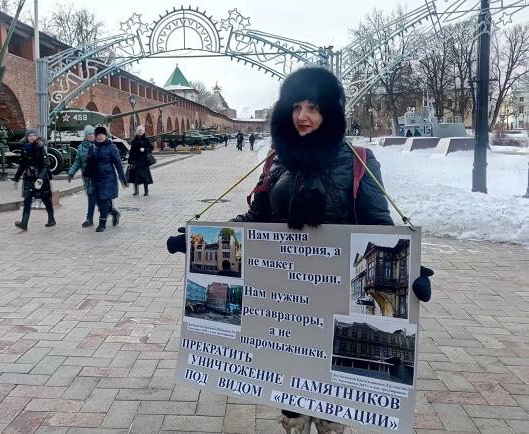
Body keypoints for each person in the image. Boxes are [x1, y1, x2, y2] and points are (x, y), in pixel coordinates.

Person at [166, 67, 432, 434]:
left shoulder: (358, 162)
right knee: (292, 394)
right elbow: (256, 219)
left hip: (336, 298)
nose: (303, 117)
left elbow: (380, 226)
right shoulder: (277, 162)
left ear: (330, 113)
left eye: (313, 108)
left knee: (333, 404)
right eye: (296, 107)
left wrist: (411, 272)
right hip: (288, 302)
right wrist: (200, 241)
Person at [12, 128, 55, 230]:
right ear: (26, 137)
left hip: (40, 179)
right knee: (27, 199)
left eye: (33, 135)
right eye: (29, 136)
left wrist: (40, 178)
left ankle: (51, 219)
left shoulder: (40, 147)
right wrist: (16, 178)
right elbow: (22, 165)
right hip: (29, 178)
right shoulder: (24, 148)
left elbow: (46, 165)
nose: (31, 137)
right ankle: (24, 223)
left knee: (45, 199)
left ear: (36, 137)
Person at [92, 126, 128, 232]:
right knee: (98, 200)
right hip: (96, 178)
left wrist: (123, 178)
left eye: (101, 135)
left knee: (103, 200)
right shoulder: (93, 147)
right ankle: (114, 212)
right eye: (97, 135)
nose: (99, 137)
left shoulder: (111, 147)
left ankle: (102, 223)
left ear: (105, 135)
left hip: (108, 178)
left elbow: (118, 164)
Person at [68, 125, 97, 227]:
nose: (91, 136)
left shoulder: (98, 145)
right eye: (89, 134)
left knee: (101, 199)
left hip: (97, 176)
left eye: (92, 134)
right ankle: (89, 219)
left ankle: (113, 211)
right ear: (85, 135)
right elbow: (77, 162)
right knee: (91, 197)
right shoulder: (81, 147)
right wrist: (71, 172)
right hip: (87, 176)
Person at [128, 125, 154, 196]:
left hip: (144, 161)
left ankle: (146, 191)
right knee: (135, 176)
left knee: (145, 176)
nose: (140, 132)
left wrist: (145, 149)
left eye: (141, 131)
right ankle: (136, 191)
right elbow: (131, 151)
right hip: (136, 160)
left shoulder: (146, 139)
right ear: (137, 132)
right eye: (139, 131)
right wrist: (130, 160)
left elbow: (151, 148)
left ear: (143, 132)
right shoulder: (134, 140)